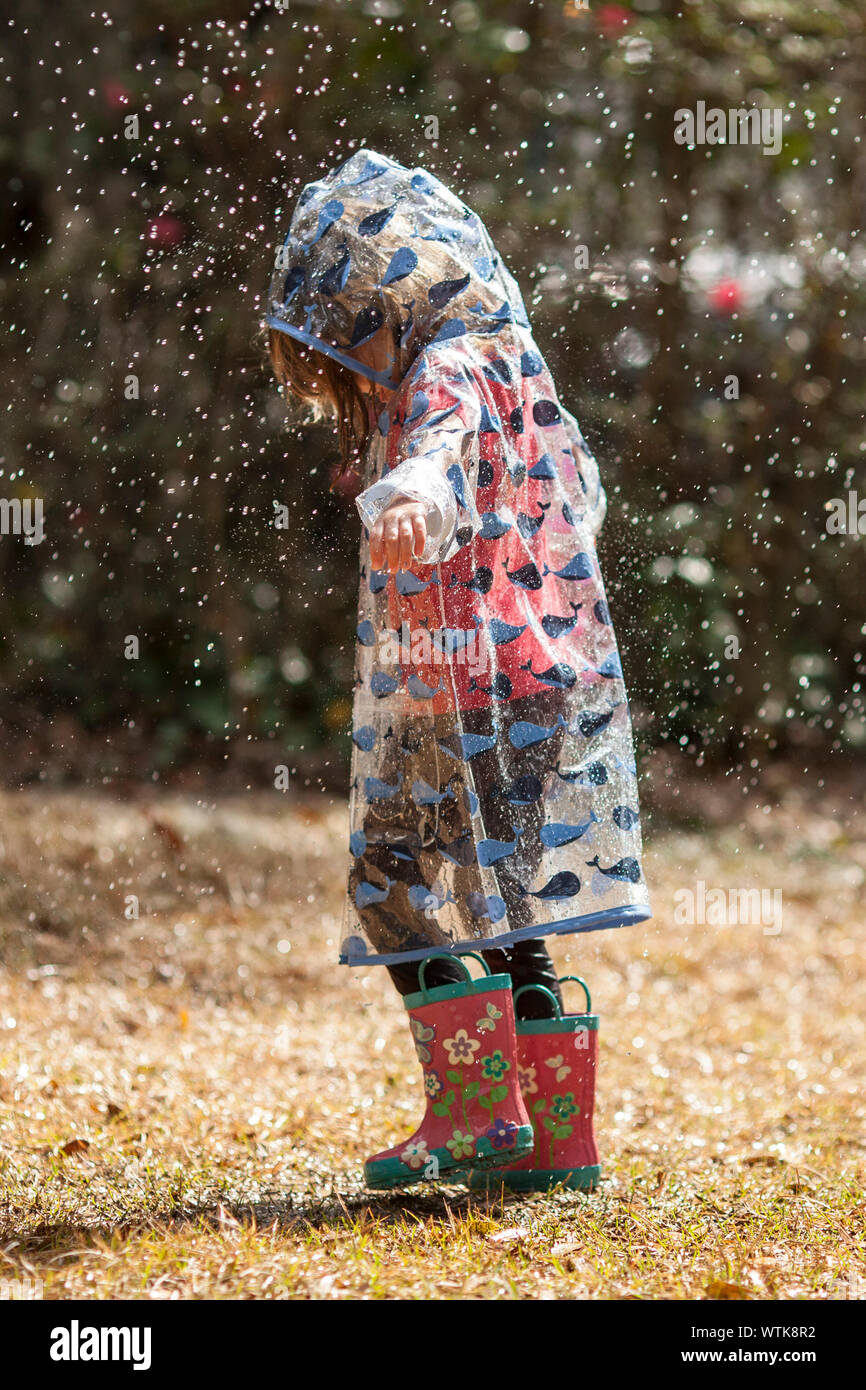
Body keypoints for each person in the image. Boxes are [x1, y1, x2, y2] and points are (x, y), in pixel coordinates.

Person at [265, 149, 651, 1189]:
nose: (357, 369)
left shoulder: (439, 368)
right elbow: (581, 496)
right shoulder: (517, 359)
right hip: (544, 679)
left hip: (459, 684)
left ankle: (477, 1114)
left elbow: (437, 452)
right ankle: (556, 1143)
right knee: (507, 906)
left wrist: (416, 493)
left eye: (352, 337)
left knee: (389, 881)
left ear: (383, 295)